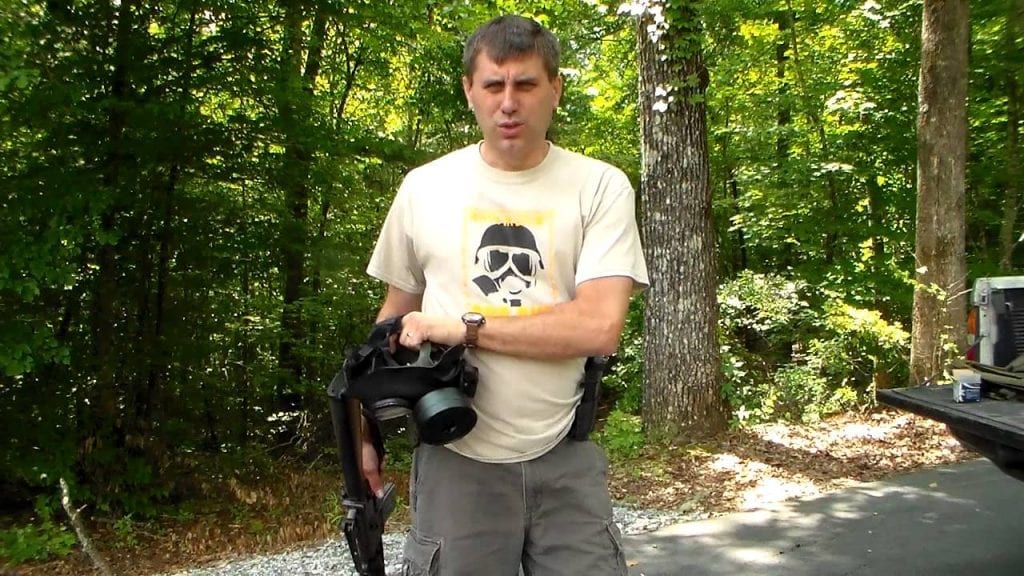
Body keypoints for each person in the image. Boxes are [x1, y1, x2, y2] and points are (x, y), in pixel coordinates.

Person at [362, 14, 649, 576]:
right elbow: (391, 322)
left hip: (564, 455)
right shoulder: (425, 188)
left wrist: (460, 328)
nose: (508, 103)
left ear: (555, 89)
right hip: (455, 459)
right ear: (470, 90)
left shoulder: (599, 185)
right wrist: (364, 437)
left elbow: (599, 327)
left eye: (526, 84)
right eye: (493, 85)